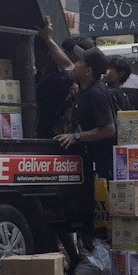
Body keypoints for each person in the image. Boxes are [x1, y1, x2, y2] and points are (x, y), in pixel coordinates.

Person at [53, 45, 116, 179]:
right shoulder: (84, 87)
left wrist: (75, 136)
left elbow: (109, 130)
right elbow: (66, 65)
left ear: (88, 71)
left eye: (80, 61)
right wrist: (47, 39)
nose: (75, 63)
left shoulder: (97, 94)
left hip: (104, 166)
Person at [36, 15, 92, 139]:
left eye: (67, 52)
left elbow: (67, 65)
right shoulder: (86, 80)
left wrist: (47, 37)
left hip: (63, 139)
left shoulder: (83, 82)